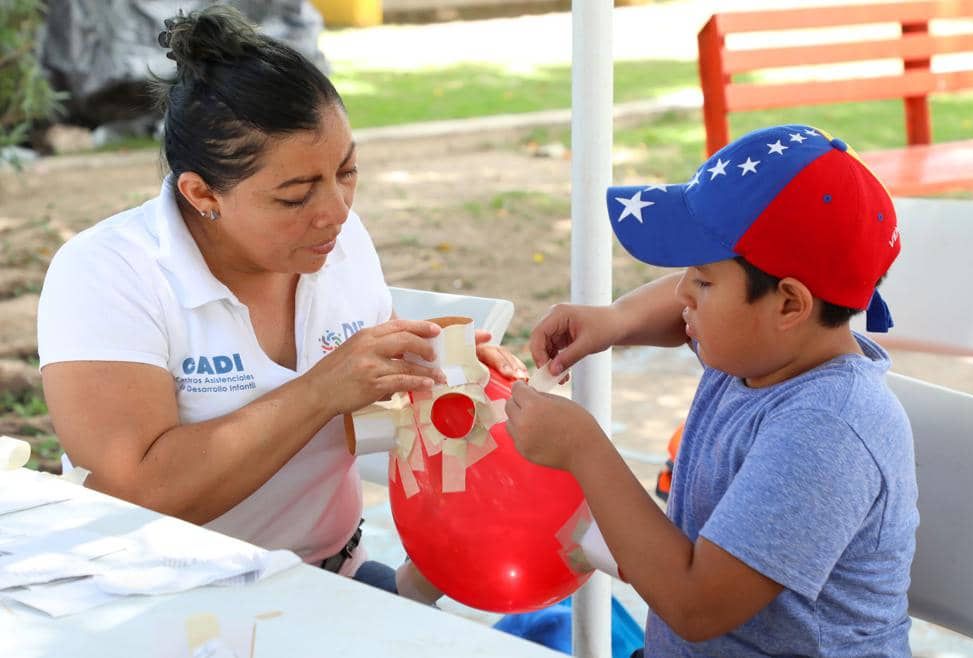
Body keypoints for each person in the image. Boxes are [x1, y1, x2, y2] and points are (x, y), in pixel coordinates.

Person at [36, 5, 526, 600]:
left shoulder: (339, 242)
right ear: (202, 193)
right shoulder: (109, 273)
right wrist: (321, 389)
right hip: (158, 597)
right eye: (295, 196)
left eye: (347, 172)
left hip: (327, 574)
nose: (336, 212)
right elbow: (132, 495)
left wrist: (436, 364)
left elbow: (366, 385)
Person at [505, 125, 918, 656]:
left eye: (702, 280)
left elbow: (697, 606)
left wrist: (583, 449)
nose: (682, 293)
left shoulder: (827, 431)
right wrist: (616, 319)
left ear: (789, 304)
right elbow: (688, 305)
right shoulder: (763, 349)